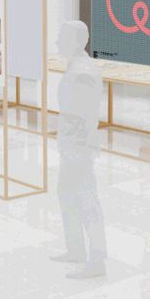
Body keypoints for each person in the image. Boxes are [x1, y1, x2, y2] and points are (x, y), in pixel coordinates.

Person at [51, 21, 107, 279]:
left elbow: (84, 114)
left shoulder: (83, 71)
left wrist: (76, 148)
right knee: (67, 195)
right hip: (71, 145)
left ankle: (97, 259)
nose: (57, 41)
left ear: (75, 41)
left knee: (86, 200)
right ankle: (75, 249)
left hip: (78, 147)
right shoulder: (76, 67)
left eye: (61, 37)